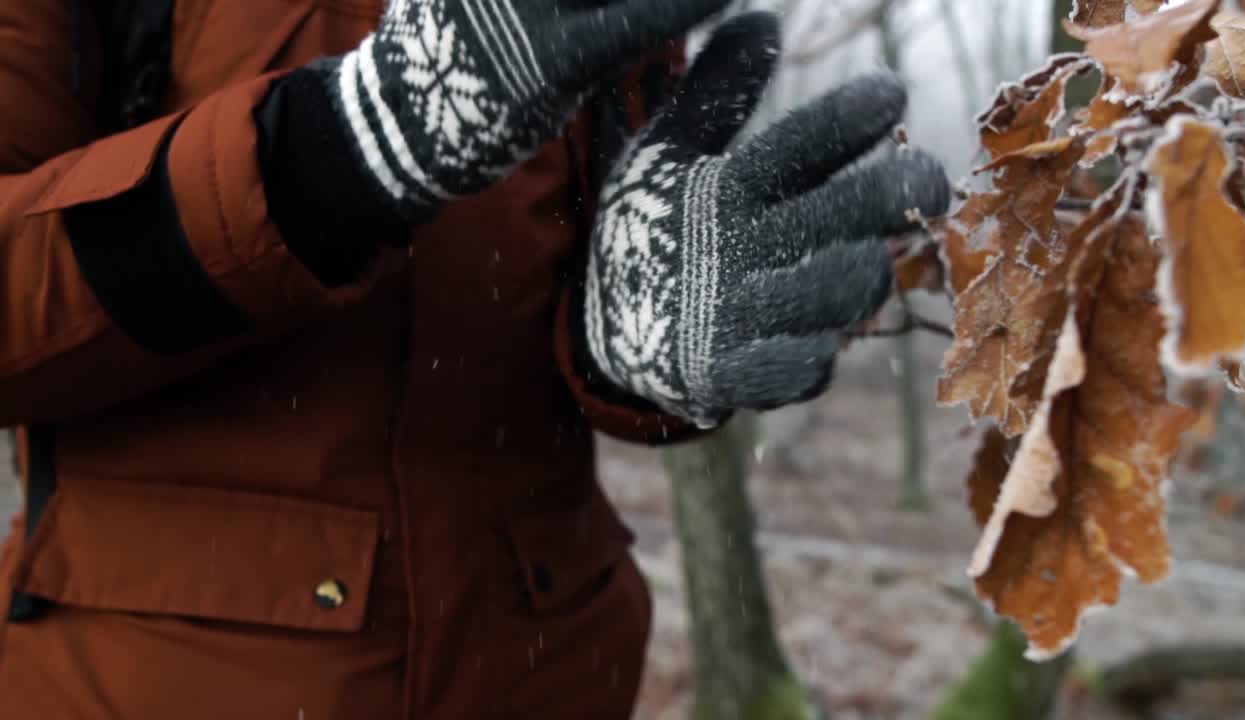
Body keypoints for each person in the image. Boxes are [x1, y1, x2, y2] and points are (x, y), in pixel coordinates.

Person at [0, 1, 949, 718]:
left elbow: (569, 304)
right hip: (153, 679)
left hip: (551, 664)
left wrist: (632, 349)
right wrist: (342, 150)